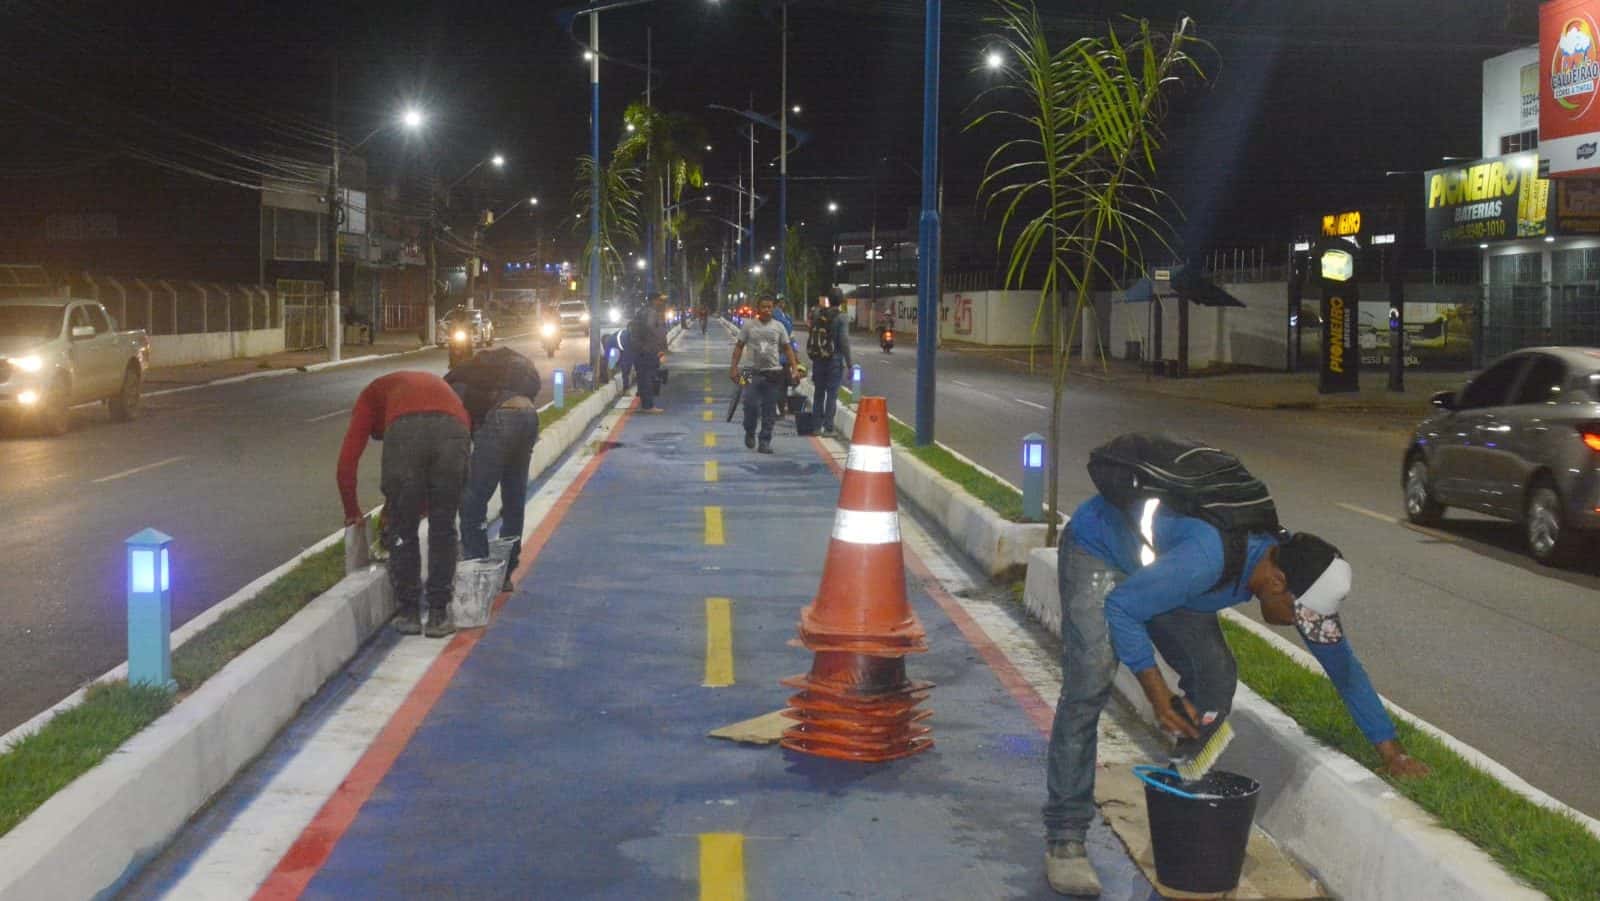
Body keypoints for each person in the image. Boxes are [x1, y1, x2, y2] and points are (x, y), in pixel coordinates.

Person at [1043, 494, 1430, 896]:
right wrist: (1158, 693)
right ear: (1277, 582)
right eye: (1297, 615)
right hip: (1102, 548)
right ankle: (1065, 837)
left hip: (1167, 574)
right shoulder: (1208, 558)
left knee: (1216, 678)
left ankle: (1180, 801)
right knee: (1091, 680)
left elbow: (1344, 668)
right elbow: (1123, 608)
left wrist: (1393, 753)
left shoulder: (1296, 569)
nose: (1298, 625)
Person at [337, 372, 471, 638]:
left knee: (402, 528)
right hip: (455, 430)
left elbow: (346, 463)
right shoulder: (431, 387)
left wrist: (352, 511)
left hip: (406, 434)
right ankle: (438, 615)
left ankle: (410, 614)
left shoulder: (369, 396)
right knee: (444, 526)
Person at [445, 346, 542, 588]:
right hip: (529, 416)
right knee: (514, 499)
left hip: (502, 418)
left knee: (473, 500)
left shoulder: (453, 385)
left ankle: (478, 572)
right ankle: (506, 573)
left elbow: (457, 432)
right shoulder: (500, 367)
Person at [728, 295, 798, 454]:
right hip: (748, 371)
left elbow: (788, 349)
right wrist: (733, 368)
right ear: (757, 309)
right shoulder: (748, 326)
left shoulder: (779, 327)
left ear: (773, 308)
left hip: (773, 373)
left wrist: (794, 368)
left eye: (770, 307)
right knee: (749, 405)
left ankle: (765, 441)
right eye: (764, 307)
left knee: (769, 409)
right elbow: (739, 347)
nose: (767, 310)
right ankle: (749, 430)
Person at [807, 291, 853, 437]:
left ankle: (816, 427)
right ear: (841, 301)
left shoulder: (818, 314)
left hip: (818, 359)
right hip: (834, 359)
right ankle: (828, 428)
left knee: (819, 393)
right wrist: (850, 364)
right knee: (832, 394)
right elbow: (844, 341)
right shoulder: (842, 317)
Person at [631, 293, 670, 413]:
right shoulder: (651, 313)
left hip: (640, 349)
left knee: (642, 378)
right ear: (654, 301)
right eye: (660, 300)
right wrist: (657, 341)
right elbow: (650, 327)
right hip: (648, 350)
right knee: (648, 377)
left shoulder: (641, 311)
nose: (662, 303)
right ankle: (648, 406)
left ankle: (645, 405)